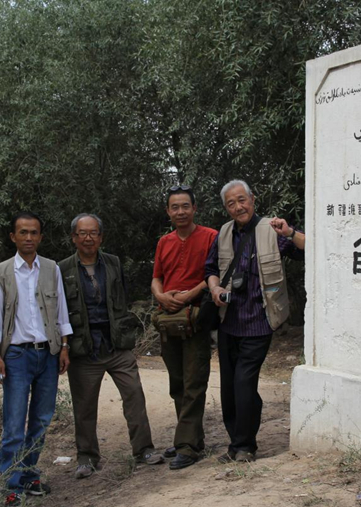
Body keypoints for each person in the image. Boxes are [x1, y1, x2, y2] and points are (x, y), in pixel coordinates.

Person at [205, 180, 305, 462]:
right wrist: (215, 288)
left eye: (242, 200)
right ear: (226, 208)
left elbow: (308, 249)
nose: (238, 207)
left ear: (253, 200)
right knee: (229, 388)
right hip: (228, 321)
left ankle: (245, 446)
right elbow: (210, 269)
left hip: (259, 321)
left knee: (244, 383)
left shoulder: (272, 229)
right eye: (231, 203)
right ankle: (236, 443)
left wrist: (290, 232)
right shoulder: (224, 233)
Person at [59, 213, 163, 479]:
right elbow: (58, 310)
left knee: (134, 395)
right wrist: (64, 346)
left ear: (101, 237)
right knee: (84, 407)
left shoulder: (113, 263)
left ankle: (144, 450)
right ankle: (87, 458)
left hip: (117, 345)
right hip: (84, 349)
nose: (88, 238)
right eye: (82, 233)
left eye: (93, 232)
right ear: (73, 238)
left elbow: (122, 297)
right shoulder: (62, 269)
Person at [0, 212, 72, 507]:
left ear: (41, 237)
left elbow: (61, 311)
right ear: (13, 237)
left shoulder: (51, 268)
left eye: (34, 232)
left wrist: (64, 347)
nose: (28, 238)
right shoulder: (1, 272)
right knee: (14, 423)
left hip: (47, 353)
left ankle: (28, 474)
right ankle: (10, 486)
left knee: (42, 419)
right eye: (23, 232)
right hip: (16, 356)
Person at [151, 185, 218, 470]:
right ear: (168, 211)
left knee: (194, 382)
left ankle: (187, 446)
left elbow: (216, 273)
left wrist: (190, 294)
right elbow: (157, 277)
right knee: (177, 382)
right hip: (168, 320)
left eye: (185, 206)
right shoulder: (164, 242)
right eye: (175, 207)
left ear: (194, 208)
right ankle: (188, 437)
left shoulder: (211, 236)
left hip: (196, 319)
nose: (180, 211)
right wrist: (161, 296)